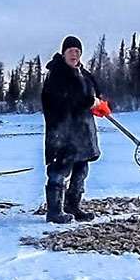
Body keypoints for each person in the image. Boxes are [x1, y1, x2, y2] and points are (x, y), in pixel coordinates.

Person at [41, 35, 106, 223]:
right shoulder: (57, 75)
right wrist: (89, 101)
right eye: (71, 51)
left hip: (82, 133)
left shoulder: (84, 75)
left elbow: (94, 94)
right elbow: (63, 100)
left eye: (77, 51)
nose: (74, 54)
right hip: (62, 132)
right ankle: (54, 211)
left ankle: (73, 206)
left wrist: (100, 103)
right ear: (63, 53)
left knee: (81, 171)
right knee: (59, 170)